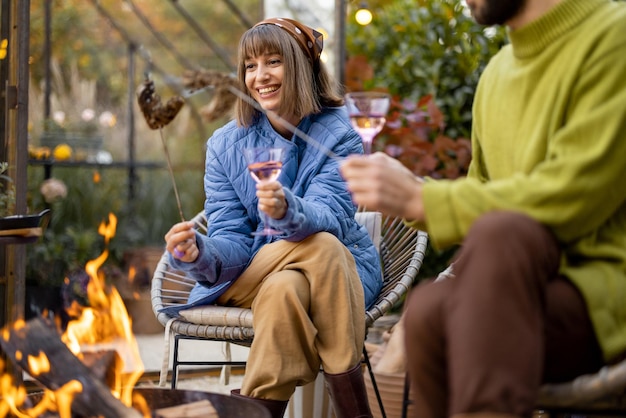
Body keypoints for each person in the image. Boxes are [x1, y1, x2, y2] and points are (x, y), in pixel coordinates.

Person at [340, 0, 626, 417]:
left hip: (604, 294)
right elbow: (484, 191)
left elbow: (570, 196)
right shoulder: (496, 74)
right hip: (523, 291)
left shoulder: (613, 35)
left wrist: (423, 199)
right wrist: (409, 194)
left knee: (501, 233)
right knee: (426, 313)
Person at [163, 17, 382, 418]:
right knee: (322, 250)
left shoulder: (342, 134)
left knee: (289, 287)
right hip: (252, 273)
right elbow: (232, 236)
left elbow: (332, 213)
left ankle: (252, 411)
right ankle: (356, 411)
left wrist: (287, 210)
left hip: (339, 277)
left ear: (300, 66)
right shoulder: (225, 144)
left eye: (273, 62)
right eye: (250, 66)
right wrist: (198, 253)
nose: (259, 76)